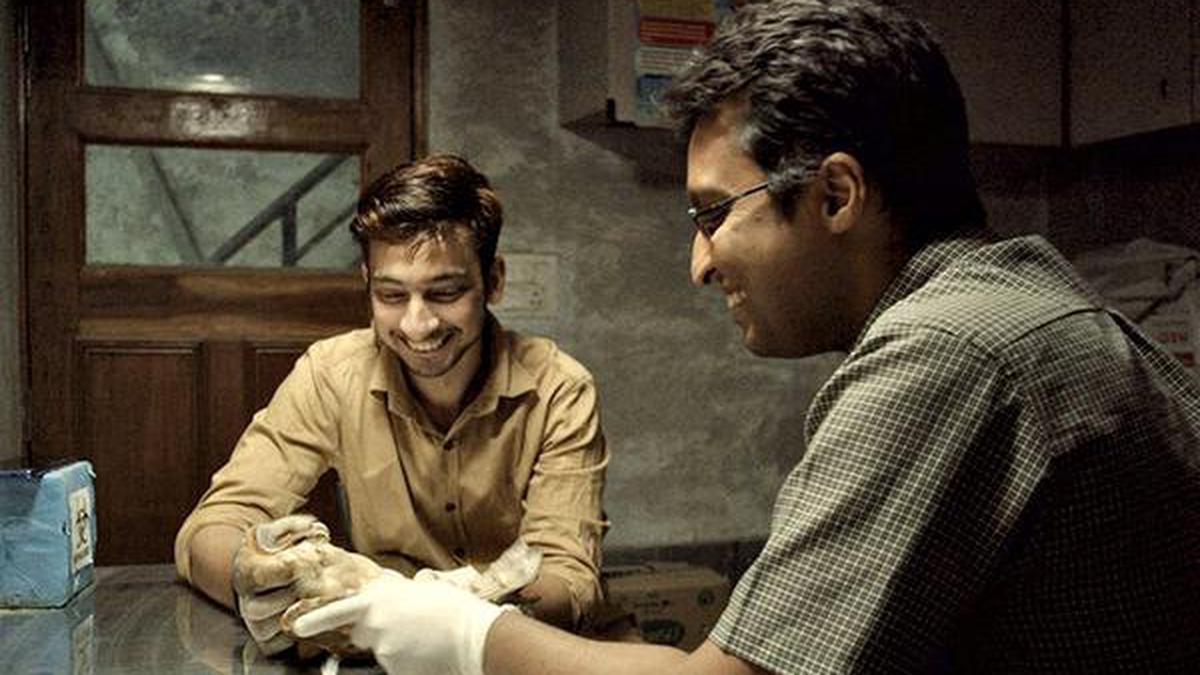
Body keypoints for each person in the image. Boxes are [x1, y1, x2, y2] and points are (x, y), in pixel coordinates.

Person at [291, 1, 1200, 673]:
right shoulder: (1022, 299)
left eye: (713, 214)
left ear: (836, 195)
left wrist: (457, 634)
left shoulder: (948, 351)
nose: (699, 263)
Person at [174, 154, 610, 655]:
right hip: (383, 654)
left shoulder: (559, 388)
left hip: (529, 652)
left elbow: (568, 577)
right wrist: (250, 574)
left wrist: (462, 613)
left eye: (445, 292)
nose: (417, 325)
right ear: (367, 281)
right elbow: (210, 528)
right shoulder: (331, 373)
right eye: (391, 295)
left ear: (493, 281)